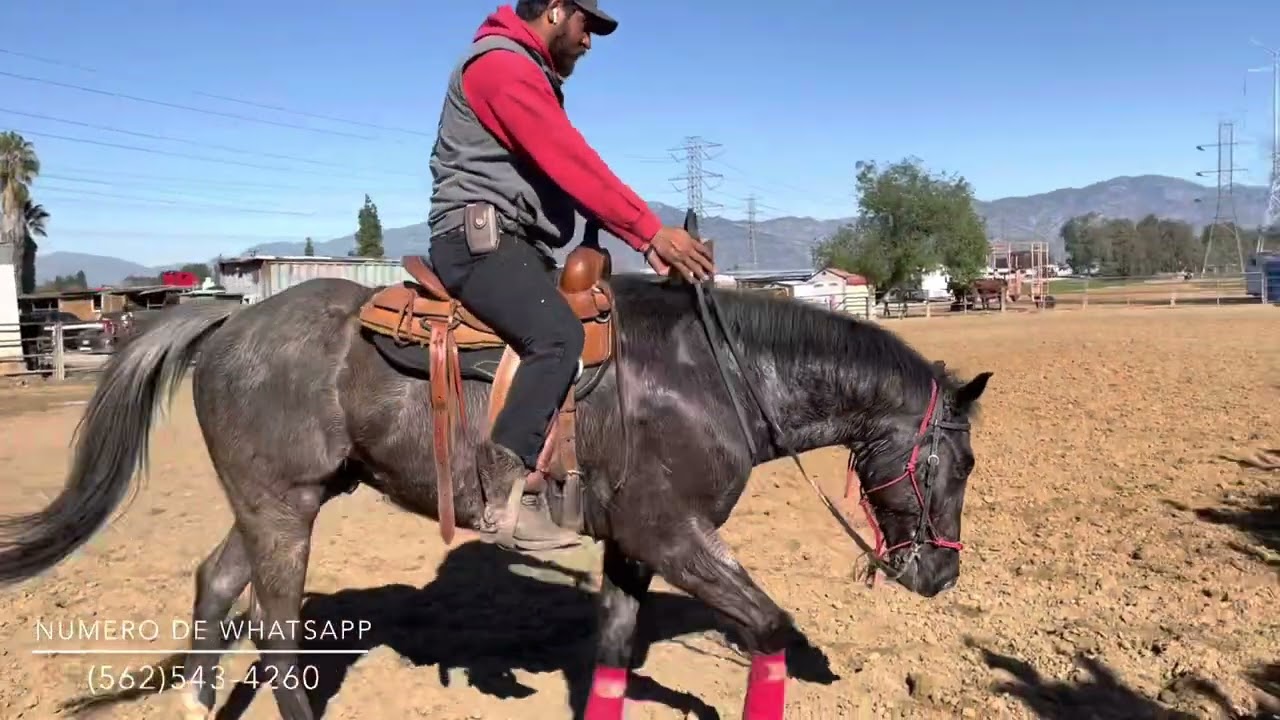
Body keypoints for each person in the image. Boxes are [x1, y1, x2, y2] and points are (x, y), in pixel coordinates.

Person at [427, 0, 716, 551]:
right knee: (557, 334)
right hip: (478, 242)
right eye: (588, 25)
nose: (590, 40)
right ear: (557, 10)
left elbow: (561, 172)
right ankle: (504, 492)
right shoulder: (499, 65)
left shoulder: (528, 72)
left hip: (517, 242)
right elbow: (569, 159)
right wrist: (649, 232)